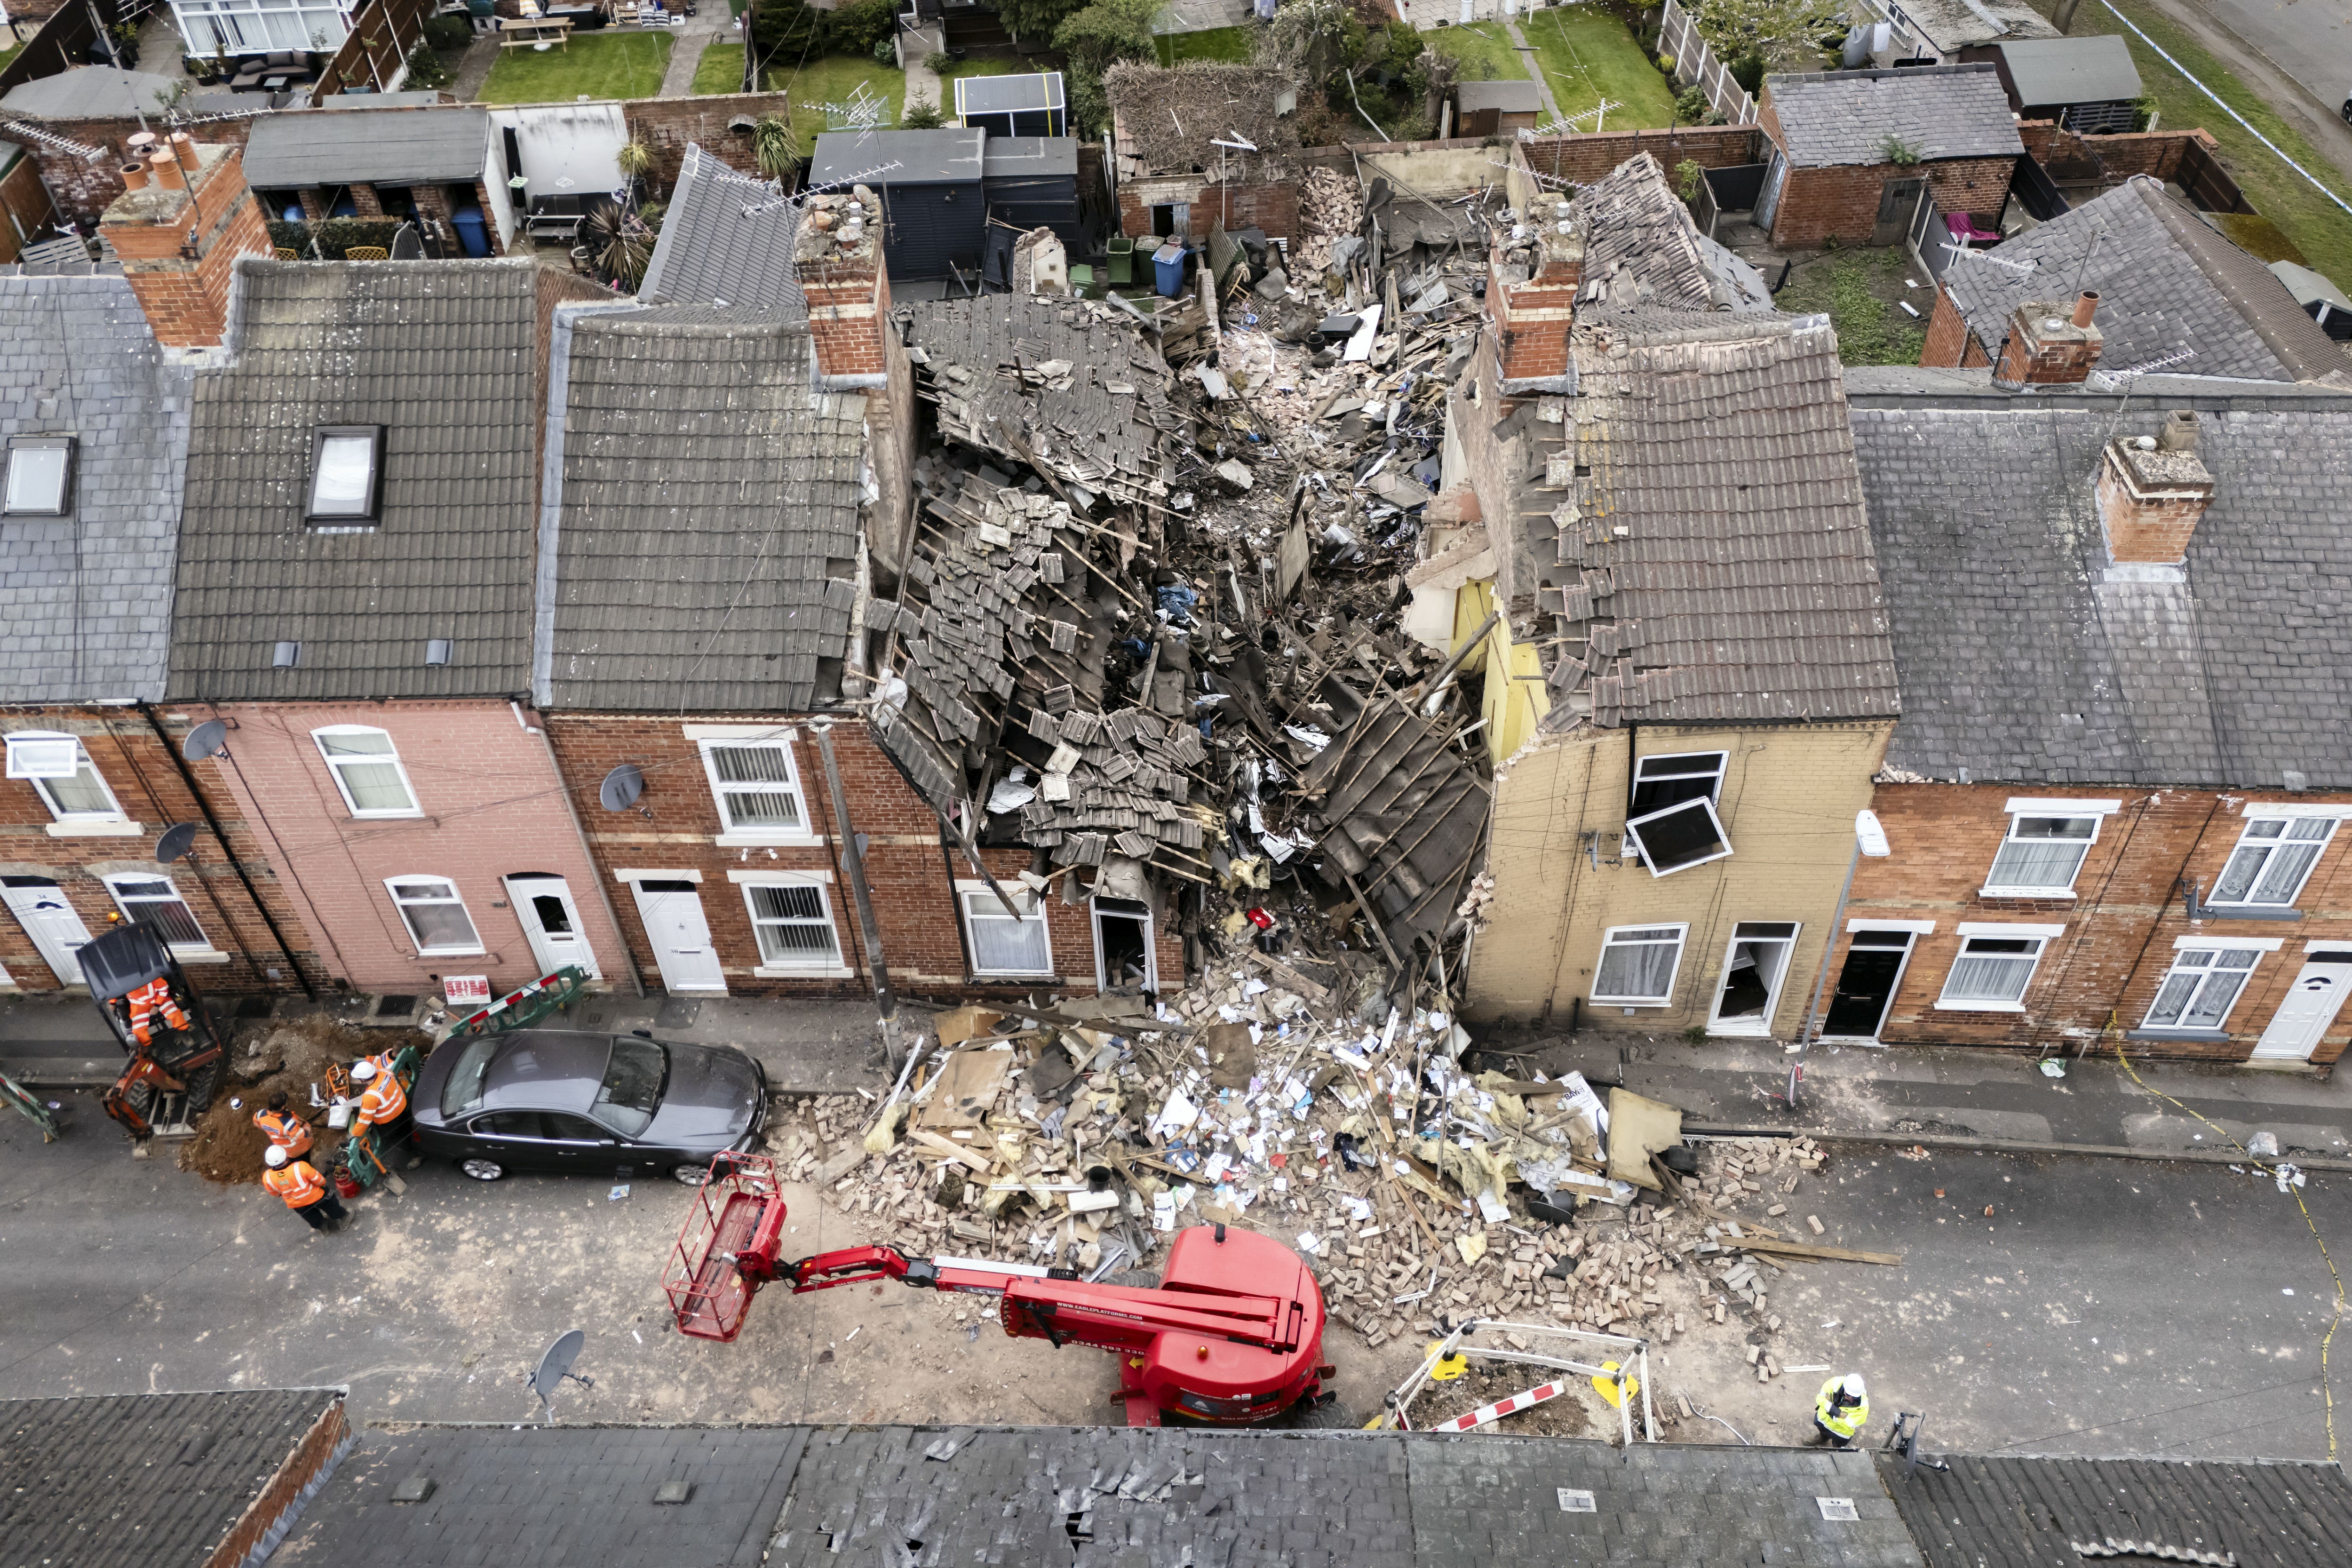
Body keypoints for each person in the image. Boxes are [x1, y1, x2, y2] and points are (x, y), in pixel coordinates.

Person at [262, 1145, 346, 1233]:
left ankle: (322, 1226)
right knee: (330, 1205)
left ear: (269, 1163)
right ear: (286, 1157)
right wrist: (323, 1186)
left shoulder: (267, 1177)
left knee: (311, 1216)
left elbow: (275, 1193)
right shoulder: (301, 1166)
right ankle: (342, 1218)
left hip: (297, 1204)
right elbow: (320, 1181)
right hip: (317, 1197)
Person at [350, 1057, 412, 1149]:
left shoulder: (371, 1096)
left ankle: (409, 1151)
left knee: (398, 1139)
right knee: (407, 1130)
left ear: (363, 1079)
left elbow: (365, 1120)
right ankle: (412, 1143)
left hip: (389, 1121)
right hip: (402, 1106)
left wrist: (355, 1133)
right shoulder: (384, 1072)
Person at [1811, 1373, 1869, 1449]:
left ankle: (1837, 1449)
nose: (1851, 1400)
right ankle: (1822, 1439)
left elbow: (1850, 1424)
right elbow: (1820, 1399)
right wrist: (1838, 1413)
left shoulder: (1863, 1406)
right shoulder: (1834, 1384)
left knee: (1838, 1446)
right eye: (1849, 1395)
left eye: (1855, 1398)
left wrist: (1830, 1410)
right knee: (1823, 1432)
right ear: (1844, 1388)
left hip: (1841, 1433)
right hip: (1823, 1421)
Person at [252, 1092, 314, 1159]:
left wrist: (272, 1129)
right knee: (303, 1159)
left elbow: (256, 1124)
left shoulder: (260, 1114)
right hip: (296, 1150)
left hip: (281, 1148)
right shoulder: (288, 1124)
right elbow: (304, 1136)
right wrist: (307, 1126)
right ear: (283, 1107)